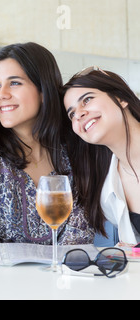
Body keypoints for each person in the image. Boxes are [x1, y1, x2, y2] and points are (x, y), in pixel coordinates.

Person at [0, 42, 94, 245]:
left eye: (14, 83)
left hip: (65, 274)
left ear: (43, 90)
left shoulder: (78, 151)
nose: (1, 94)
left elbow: (78, 240)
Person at [62, 66, 140, 244]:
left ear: (120, 98)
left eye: (87, 100)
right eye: (71, 114)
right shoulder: (108, 192)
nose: (79, 114)